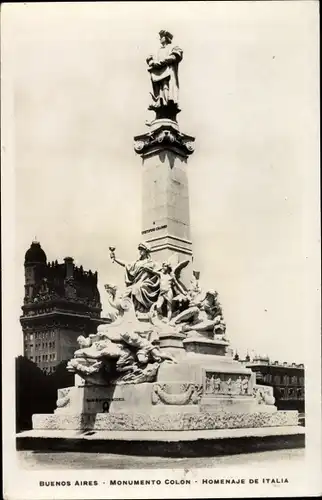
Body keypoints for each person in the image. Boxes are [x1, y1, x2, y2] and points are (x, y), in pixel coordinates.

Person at [110, 243, 160, 313]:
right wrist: (115, 259)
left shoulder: (151, 263)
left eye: (142, 249)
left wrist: (150, 270)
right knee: (126, 292)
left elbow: (159, 273)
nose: (140, 251)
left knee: (136, 289)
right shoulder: (136, 263)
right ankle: (130, 310)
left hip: (146, 285)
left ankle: (140, 310)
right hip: (137, 284)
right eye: (140, 249)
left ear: (146, 251)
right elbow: (126, 264)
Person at [146, 30, 183, 117]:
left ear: (166, 38)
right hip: (157, 74)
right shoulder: (157, 50)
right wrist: (152, 62)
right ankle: (159, 102)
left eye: (161, 37)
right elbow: (149, 58)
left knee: (166, 86)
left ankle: (166, 102)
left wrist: (161, 62)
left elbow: (174, 56)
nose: (160, 39)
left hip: (167, 73)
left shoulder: (173, 47)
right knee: (159, 88)